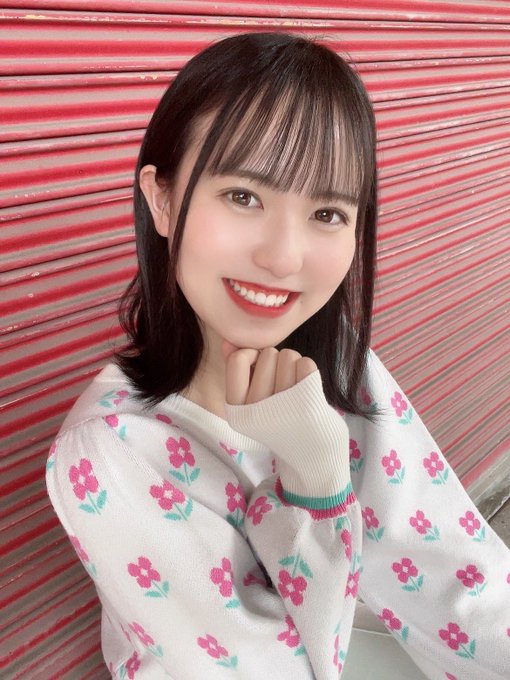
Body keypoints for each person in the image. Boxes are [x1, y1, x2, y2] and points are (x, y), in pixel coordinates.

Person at [46, 32, 509, 680]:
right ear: (163, 199)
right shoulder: (108, 452)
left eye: (328, 212)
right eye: (244, 196)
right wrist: (316, 487)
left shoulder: (340, 363)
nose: (284, 257)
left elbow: (452, 569)